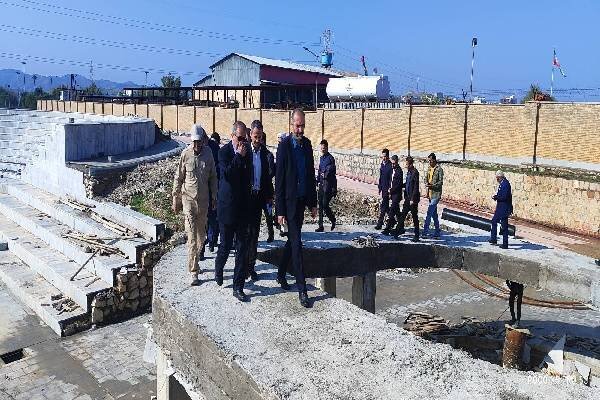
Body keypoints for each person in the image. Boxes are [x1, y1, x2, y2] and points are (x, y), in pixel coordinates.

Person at [275, 108, 318, 308]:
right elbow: (280, 180)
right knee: (297, 244)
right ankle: (302, 289)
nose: (300, 130)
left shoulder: (307, 145)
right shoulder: (284, 146)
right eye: (297, 126)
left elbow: (310, 175)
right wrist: (280, 210)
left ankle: (281, 273)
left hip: (302, 201)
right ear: (291, 124)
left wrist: (313, 203)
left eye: (302, 126)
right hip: (289, 203)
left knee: (293, 240)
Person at [172, 124, 217, 286]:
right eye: (194, 142)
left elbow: (213, 177)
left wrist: (214, 196)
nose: (197, 145)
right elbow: (179, 177)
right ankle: (194, 271)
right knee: (191, 237)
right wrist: (175, 198)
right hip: (188, 201)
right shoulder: (185, 154)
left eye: (199, 141)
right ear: (192, 141)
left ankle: (195, 259)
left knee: (201, 237)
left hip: (203, 202)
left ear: (203, 140)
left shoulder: (208, 154)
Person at [214, 121, 252, 302]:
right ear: (232, 136)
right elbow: (227, 175)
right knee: (225, 245)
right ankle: (219, 267)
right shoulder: (224, 153)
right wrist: (238, 156)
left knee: (242, 248)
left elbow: (248, 178)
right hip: (227, 208)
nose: (242, 142)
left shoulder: (247, 153)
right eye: (239, 138)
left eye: (245, 139)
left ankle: (238, 286)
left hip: (242, 208)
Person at [246, 120, 274, 281]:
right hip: (246, 199)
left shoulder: (266, 155)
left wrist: (269, 197)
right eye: (255, 136)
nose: (258, 140)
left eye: (260, 137)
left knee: (254, 234)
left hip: (259, 198)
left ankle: (251, 267)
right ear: (250, 135)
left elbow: (268, 178)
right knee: (246, 234)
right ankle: (244, 266)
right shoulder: (245, 152)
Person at [200, 131, 220, 260]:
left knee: (213, 218)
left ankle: (212, 240)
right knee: (202, 221)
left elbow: (218, 167)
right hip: (200, 192)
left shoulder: (214, 148)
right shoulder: (196, 150)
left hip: (212, 189)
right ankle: (201, 250)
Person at [393, 155, 420, 242]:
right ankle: (396, 233)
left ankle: (417, 235)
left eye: (407, 164)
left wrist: (412, 199)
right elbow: (407, 184)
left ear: (411, 164)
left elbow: (416, 187)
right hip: (407, 198)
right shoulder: (409, 172)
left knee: (414, 217)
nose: (406, 166)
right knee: (402, 216)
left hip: (412, 199)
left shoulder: (415, 173)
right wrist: (400, 185)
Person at [315, 139, 337, 232]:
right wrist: (317, 181)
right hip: (321, 184)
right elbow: (320, 170)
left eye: (324, 148)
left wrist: (325, 173)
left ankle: (333, 219)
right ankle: (321, 226)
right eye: (321, 148)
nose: (322, 149)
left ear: (327, 148)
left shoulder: (330, 158)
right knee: (320, 206)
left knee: (324, 205)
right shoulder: (321, 158)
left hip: (328, 185)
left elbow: (330, 171)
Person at [489, 170, 513, 249]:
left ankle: (505, 244)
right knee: (494, 221)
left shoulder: (506, 184)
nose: (497, 179)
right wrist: (496, 196)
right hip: (500, 207)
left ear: (500, 177)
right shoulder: (502, 183)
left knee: (504, 226)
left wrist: (496, 197)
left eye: (497, 178)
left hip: (504, 208)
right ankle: (493, 239)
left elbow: (505, 197)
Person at [423, 153, 444, 238]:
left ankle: (425, 232)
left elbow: (440, 182)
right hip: (430, 194)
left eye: (431, 161)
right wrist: (426, 183)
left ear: (434, 160)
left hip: (436, 194)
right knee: (434, 214)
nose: (429, 162)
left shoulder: (439, 169)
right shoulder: (429, 168)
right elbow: (426, 178)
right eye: (429, 161)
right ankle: (437, 231)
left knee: (429, 213)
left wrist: (432, 186)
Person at [381, 155, 403, 235]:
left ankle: (387, 228)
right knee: (397, 212)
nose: (393, 165)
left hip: (397, 194)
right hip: (392, 193)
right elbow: (390, 181)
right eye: (392, 163)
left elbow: (399, 184)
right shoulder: (392, 170)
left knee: (391, 212)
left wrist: (392, 190)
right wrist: (389, 190)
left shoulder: (399, 171)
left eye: (394, 163)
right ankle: (401, 227)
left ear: (397, 162)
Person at [261, 131, 277, 242]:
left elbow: (271, 172)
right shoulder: (254, 154)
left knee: (268, 214)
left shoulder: (269, 155)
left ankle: (271, 234)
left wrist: (262, 175)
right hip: (257, 191)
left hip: (267, 192)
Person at [375, 148, 393, 230]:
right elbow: (381, 177)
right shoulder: (382, 164)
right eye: (383, 156)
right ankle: (393, 220)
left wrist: (390, 189)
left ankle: (380, 223)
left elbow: (391, 179)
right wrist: (379, 187)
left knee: (383, 206)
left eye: (385, 156)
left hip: (387, 189)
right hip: (383, 188)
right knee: (386, 207)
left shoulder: (390, 166)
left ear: (388, 156)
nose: (384, 158)